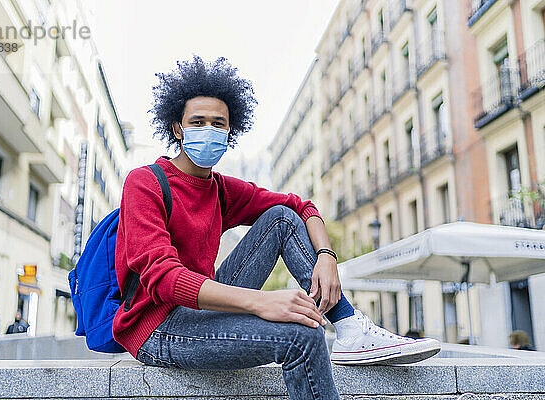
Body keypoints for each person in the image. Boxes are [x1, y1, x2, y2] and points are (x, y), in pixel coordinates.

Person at [112, 56, 441, 400]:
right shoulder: (145, 182)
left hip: (200, 311)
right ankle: (341, 327)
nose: (208, 130)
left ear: (230, 131)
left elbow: (300, 207)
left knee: (281, 218)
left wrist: (327, 256)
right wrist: (259, 302)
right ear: (178, 128)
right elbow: (162, 277)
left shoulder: (222, 190)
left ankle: (348, 326)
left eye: (218, 123)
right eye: (197, 121)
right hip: (159, 329)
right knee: (303, 334)